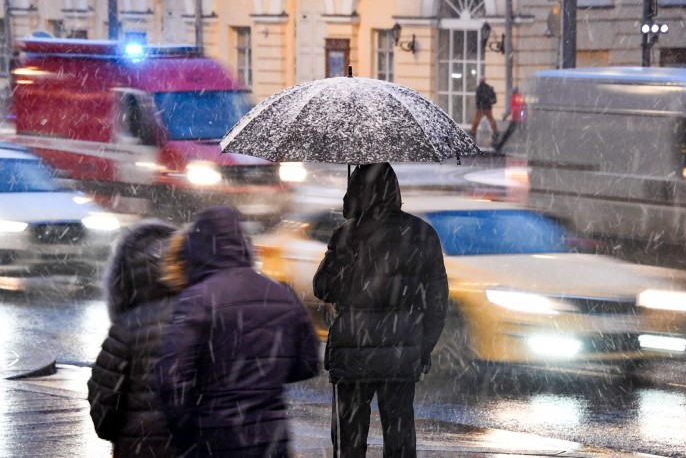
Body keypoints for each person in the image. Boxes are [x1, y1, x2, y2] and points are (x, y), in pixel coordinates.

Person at [156, 206, 321, 457]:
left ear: (196, 249)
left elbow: (172, 380)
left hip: (216, 438)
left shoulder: (197, 299)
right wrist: (262, 375)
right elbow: (307, 364)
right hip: (271, 437)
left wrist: (185, 433)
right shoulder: (281, 294)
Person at [313, 163, 449, 458]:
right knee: (399, 437)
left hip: (353, 352)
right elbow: (437, 303)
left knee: (349, 440)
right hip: (400, 353)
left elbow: (323, 288)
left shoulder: (348, 235)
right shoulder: (422, 234)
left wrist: (346, 254)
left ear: (357, 193)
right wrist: (422, 348)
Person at [87, 220, 181, 457]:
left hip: (137, 447)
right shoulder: (201, 318)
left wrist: (119, 434)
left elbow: (103, 398)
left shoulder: (127, 328)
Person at [493, 86, 527, 153]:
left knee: (508, 133)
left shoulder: (514, 98)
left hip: (515, 119)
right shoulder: (521, 97)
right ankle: (529, 146)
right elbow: (524, 107)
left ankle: (499, 146)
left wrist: (505, 116)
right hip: (521, 119)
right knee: (523, 133)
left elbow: (512, 109)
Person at [469, 76, 499, 142]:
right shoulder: (488, 88)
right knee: (491, 120)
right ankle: (495, 132)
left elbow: (477, 99)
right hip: (487, 107)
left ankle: (473, 132)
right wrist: (488, 102)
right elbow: (493, 99)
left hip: (481, 108)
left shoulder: (479, 89)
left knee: (476, 120)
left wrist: (479, 105)